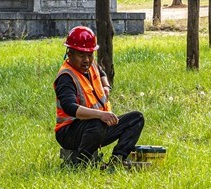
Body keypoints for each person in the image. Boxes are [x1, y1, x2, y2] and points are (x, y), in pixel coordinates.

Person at [54, 26, 145, 169]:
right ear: (69, 54)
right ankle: (82, 164)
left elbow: (102, 73)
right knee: (96, 124)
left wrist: (106, 87)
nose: (87, 60)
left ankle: (117, 160)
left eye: (90, 55)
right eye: (81, 55)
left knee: (136, 118)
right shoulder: (66, 77)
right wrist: (100, 115)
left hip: (98, 125)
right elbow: (70, 107)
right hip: (69, 133)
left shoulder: (91, 65)